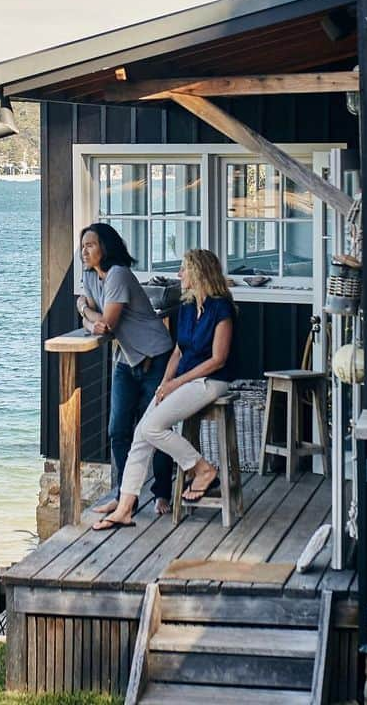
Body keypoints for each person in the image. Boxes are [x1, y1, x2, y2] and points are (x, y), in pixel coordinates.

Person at [93, 248, 235, 531]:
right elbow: (178, 352)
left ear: (198, 273)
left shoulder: (222, 309)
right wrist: (163, 384)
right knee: (140, 434)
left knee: (152, 427)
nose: (179, 275)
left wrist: (175, 383)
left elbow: (217, 359)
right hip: (183, 380)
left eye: (184, 269)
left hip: (211, 381)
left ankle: (202, 467)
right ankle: (124, 508)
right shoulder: (186, 307)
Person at [77, 222, 175, 516]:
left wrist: (84, 310)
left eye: (90, 245)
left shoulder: (118, 274)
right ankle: (124, 498)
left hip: (156, 358)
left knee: (154, 431)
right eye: (83, 246)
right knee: (118, 430)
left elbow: (107, 323)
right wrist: (88, 315)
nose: (84, 251)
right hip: (126, 361)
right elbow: (95, 323)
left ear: (105, 247)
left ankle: (162, 494)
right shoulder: (90, 276)